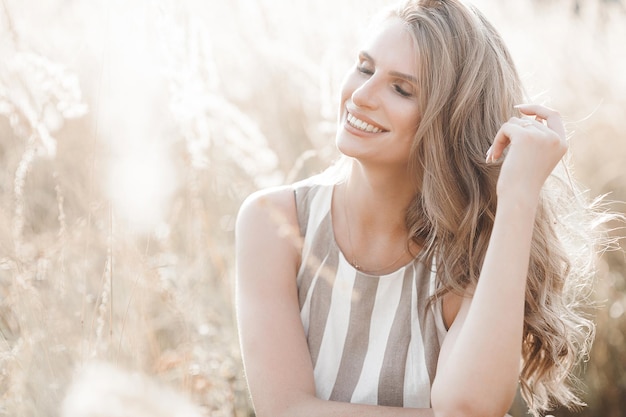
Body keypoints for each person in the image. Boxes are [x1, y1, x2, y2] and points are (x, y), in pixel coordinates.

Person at [235, 1, 604, 416]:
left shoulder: (469, 254)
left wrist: (519, 193)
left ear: (451, 119)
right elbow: (284, 410)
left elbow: (469, 407)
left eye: (401, 89)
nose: (361, 95)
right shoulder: (274, 223)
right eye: (364, 66)